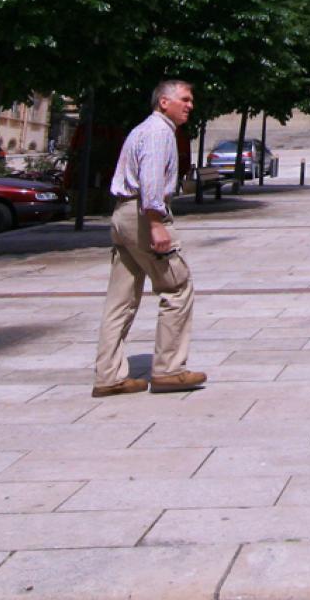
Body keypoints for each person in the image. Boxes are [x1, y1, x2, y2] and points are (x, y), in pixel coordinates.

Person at [92, 79, 205, 398]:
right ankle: (170, 369)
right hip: (143, 215)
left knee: (121, 299)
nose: (190, 105)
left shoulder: (142, 129)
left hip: (123, 214)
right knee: (177, 286)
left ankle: (109, 375)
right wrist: (156, 223)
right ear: (164, 102)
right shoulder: (159, 132)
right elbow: (151, 178)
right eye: (185, 99)